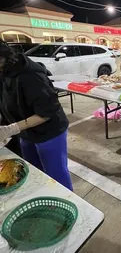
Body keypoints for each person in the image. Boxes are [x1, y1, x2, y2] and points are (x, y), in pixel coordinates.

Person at [0, 40, 72, 190]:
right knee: (34, 171)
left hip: (49, 132)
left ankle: (64, 203)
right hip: (25, 132)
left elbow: (46, 112)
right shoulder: (3, 72)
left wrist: (11, 129)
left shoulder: (30, 75)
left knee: (56, 176)